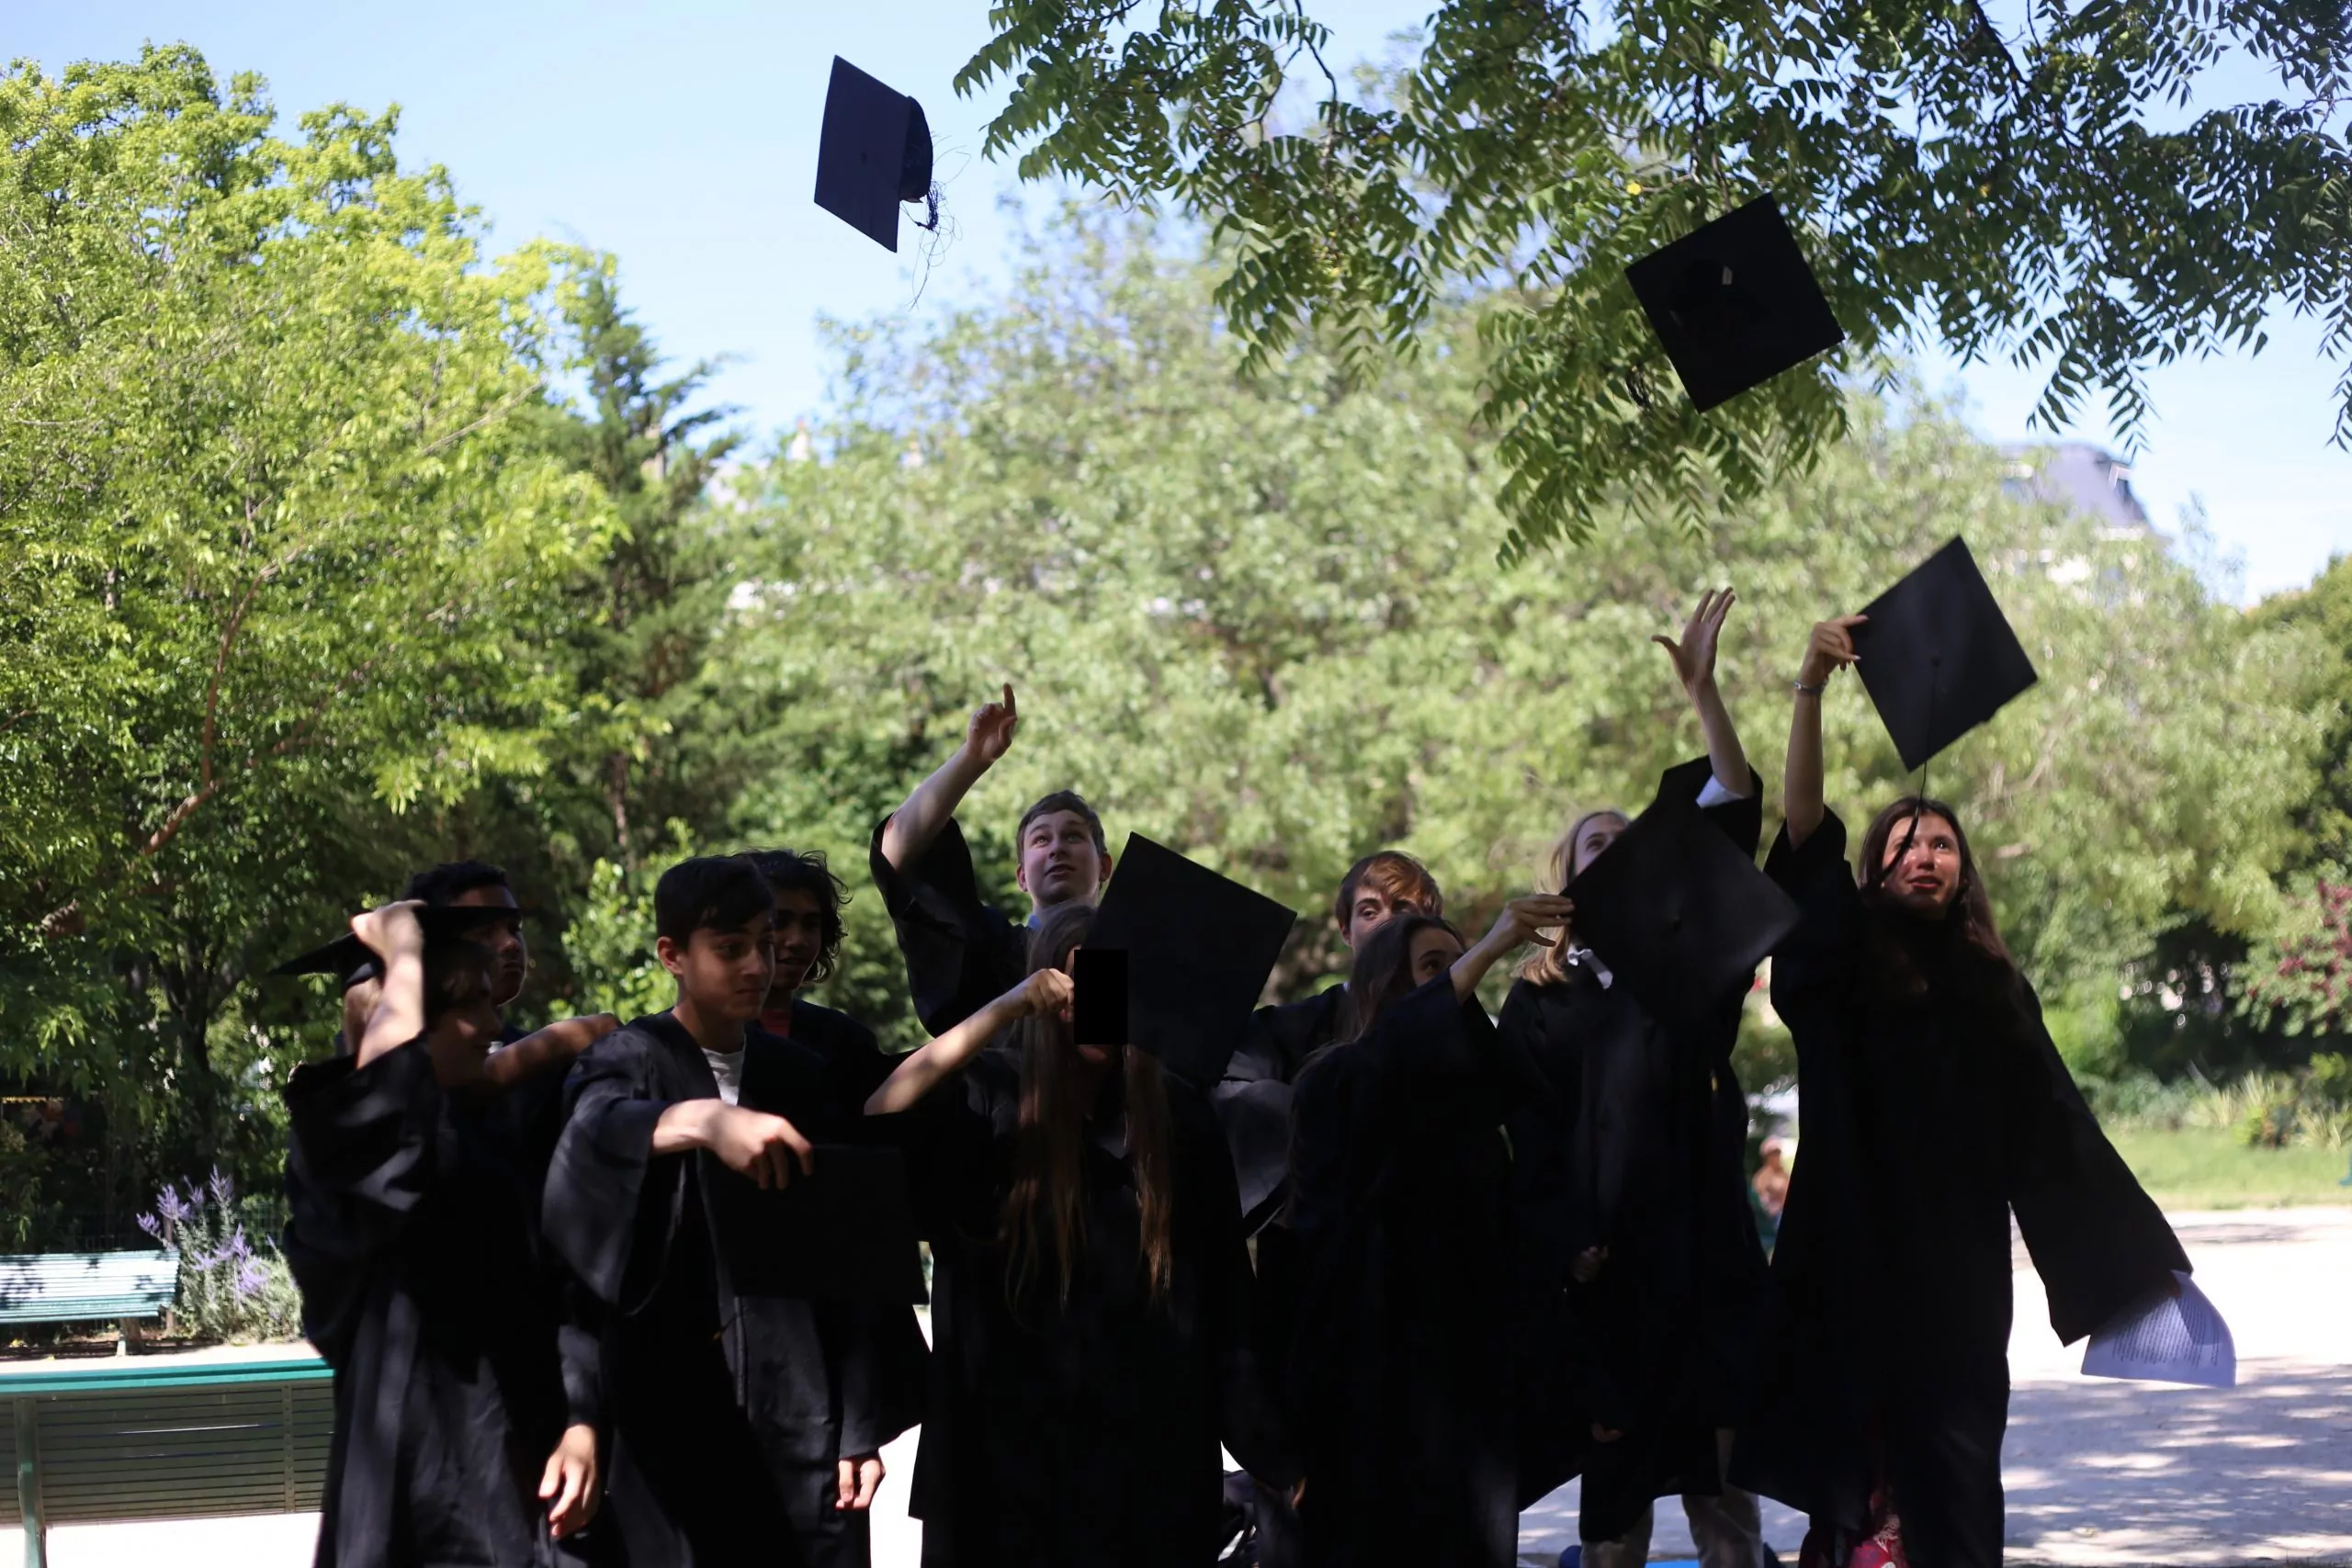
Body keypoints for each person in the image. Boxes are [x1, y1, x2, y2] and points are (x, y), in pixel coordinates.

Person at [1732, 615, 2192, 1568]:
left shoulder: (1992, 986)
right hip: (1844, 1250)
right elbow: (1807, 830)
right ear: (1874, 869)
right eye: (1902, 844)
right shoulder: (1838, 958)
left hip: (1955, 1270)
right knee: (1854, 1468)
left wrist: (2130, 1260)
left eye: (1940, 844)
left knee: (1957, 1463)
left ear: (1963, 870)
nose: (1922, 855)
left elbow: (2055, 1127)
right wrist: (1809, 687)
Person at [863, 904, 1299, 1566]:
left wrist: (1276, 1455)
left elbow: (1226, 1302)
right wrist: (1001, 1012)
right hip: (1010, 1468)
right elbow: (881, 1118)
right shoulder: (990, 1099)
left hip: (1150, 1464)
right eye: (1076, 989)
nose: (1095, 1008)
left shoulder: (1177, 1116)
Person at [1499, 589, 1774, 1568]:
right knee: (1615, 1526)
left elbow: (1733, 815)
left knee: (1727, 1509)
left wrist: (1704, 696)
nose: (1613, 849)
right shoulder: (1538, 1001)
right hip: (1608, 1281)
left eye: (1626, 841)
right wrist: (1565, 1248)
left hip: (1703, 1266)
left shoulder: (1687, 974)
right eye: (1593, 844)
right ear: (1567, 880)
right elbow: (1525, 1139)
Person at [282, 902, 603, 1568]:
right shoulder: (339, 1145)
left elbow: (562, 1286)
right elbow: (386, 1105)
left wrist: (581, 1414)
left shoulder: (478, 1136)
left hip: (522, 1461)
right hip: (421, 1480)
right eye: (472, 1005)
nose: (494, 1023)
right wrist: (401, 950)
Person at [540, 855, 822, 1565]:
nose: (758, 963)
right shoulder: (628, 1059)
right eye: (730, 948)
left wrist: (856, 1430)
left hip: (788, 1409)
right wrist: (702, 1120)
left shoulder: (798, 1074)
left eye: (763, 941)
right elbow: (591, 1137)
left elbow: (844, 1255)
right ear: (673, 955)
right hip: (662, 1418)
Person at [1282, 890, 1575, 1568]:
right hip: (1371, 1382)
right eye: (1435, 966)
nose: (1456, 980)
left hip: (1470, 1387)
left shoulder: (1477, 1114)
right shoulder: (1336, 1081)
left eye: (1457, 964)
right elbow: (1390, 1054)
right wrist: (1492, 944)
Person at [735, 846, 932, 1567]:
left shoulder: (840, 1047)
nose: (792, 939)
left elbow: (864, 1238)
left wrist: (860, 1425)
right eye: (775, 920)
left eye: (809, 924)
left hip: (820, 1363)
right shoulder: (665, 1050)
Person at [1216, 850, 1446, 1230]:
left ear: (1432, 927)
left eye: (1403, 911)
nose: (1387, 924)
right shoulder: (1287, 1028)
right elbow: (1222, 1092)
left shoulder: (1458, 1030)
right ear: (1345, 930)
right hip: (1318, 1252)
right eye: (1370, 912)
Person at [870, 683, 1115, 1038]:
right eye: (1041, 839)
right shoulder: (991, 950)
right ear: (1021, 877)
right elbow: (896, 854)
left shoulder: (1137, 961)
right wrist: (973, 757)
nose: (1056, 848)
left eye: (1074, 836)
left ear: (1105, 866)